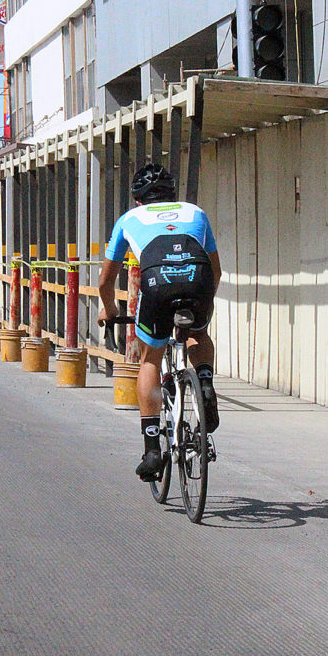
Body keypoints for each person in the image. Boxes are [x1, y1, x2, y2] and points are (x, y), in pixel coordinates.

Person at [97, 163, 222, 483]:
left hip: (157, 285)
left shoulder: (129, 219)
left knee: (150, 358)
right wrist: (201, 304)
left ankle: (152, 448)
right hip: (198, 281)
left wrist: (109, 311)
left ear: (139, 199)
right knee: (198, 333)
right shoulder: (196, 212)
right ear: (172, 194)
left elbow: (105, 282)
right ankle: (204, 381)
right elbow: (216, 270)